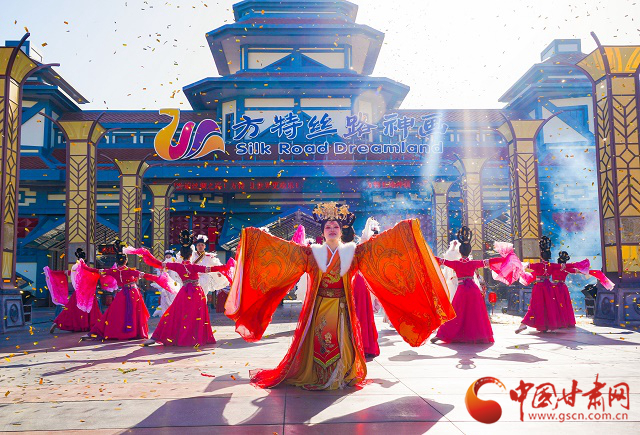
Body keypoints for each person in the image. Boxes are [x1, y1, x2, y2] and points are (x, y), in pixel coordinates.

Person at [225, 202, 454, 390]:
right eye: (328, 227)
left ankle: (341, 374)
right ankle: (319, 376)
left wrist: (404, 229)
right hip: (319, 307)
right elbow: (283, 252)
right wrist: (256, 237)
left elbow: (381, 249)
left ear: (341, 230)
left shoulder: (353, 252)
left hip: (343, 307)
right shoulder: (310, 253)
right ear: (322, 231)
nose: (332, 229)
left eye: (335, 226)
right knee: (321, 343)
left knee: (342, 342)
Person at [131, 230, 232, 347]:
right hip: (197, 292)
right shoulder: (194, 267)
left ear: (182, 255)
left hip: (184, 292)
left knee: (174, 312)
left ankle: (157, 336)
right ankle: (196, 337)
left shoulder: (177, 266)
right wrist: (228, 266)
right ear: (191, 255)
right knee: (197, 315)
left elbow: (158, 264)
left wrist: (146, 254)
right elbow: (212, 269)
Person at [431, 227, 522, 344]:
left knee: (456, 313)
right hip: (473, 290)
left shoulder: (455, 264)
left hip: (462, 290)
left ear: (460, 252)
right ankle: (478, 335)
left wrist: (424, 255)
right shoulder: (474, 263)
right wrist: (505, 258)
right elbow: (490, 261)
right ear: (469, 252)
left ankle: (442, 334)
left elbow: (439, 260)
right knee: (476, 314)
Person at [78, 239, 171, 341]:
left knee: (113, 313)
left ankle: (107, 331)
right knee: (134, 313)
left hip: (121, 293)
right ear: (126, 260)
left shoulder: (113, 271)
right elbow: (146, 276)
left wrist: (83, 265)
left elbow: (95, 270)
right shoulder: (130, 271)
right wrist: (161, 278)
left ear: (117, 261)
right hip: (133, 293)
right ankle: (134, 333)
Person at [45, 248, 103, 334]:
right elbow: (91, 271)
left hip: (77, 293)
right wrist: (99, 271)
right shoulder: (83, 267)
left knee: (70, 310)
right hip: (86, 293)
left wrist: (59, 272)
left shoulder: (74, 268)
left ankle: (57, 323)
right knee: (92, 310)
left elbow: (68, 272)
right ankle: (92, 325)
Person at [351, 218, 380, 357]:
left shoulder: (365, 248)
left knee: (361, 313)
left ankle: (362, 344)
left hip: (360, 282)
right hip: (358, 282)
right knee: (361, 313)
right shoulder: (360, 247)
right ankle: (361, 344)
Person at [152, 249, 180, 317]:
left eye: (169, 257)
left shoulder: (176, 265)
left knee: (173, 301)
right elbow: (160, 276)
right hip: (165, 287)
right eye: (166, 257)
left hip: (174, 286)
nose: (168, 258)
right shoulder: (162, 266)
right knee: (165, 302)